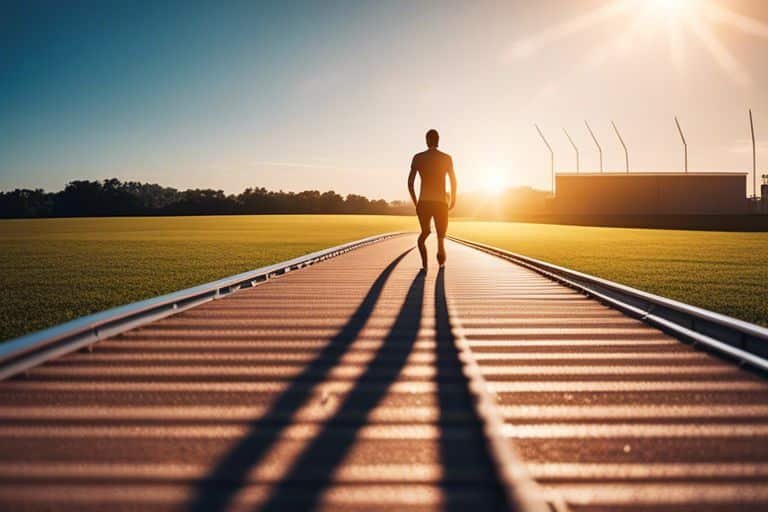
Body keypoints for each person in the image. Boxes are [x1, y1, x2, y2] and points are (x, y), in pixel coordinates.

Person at [408, 129, 457, 270]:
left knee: (425, 233)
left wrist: (416, 202)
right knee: (441, 238)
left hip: (424, 202)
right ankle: (441, 265)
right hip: (441, 203)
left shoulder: (418, 157)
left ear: (426, 141)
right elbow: (454, 181)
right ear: (438, 140)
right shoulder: (447, 158)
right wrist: (453, 199)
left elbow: (410, 183)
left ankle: (424, 267)